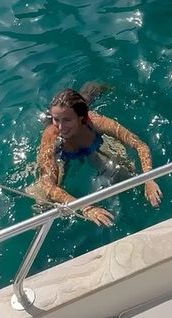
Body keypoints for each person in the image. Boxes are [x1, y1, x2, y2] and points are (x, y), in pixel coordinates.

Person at [35, 83, 162, 227]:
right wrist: (85, 208)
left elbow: (140, 145)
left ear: (81, 117)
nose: (60, 127)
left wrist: (148, 179)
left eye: (67, 120)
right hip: (63, 156)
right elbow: (47, 184)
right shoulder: (51, 135)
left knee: (126, 176)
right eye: (56, 119)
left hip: (95, 146)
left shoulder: (96, 122)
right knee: (43, 200)